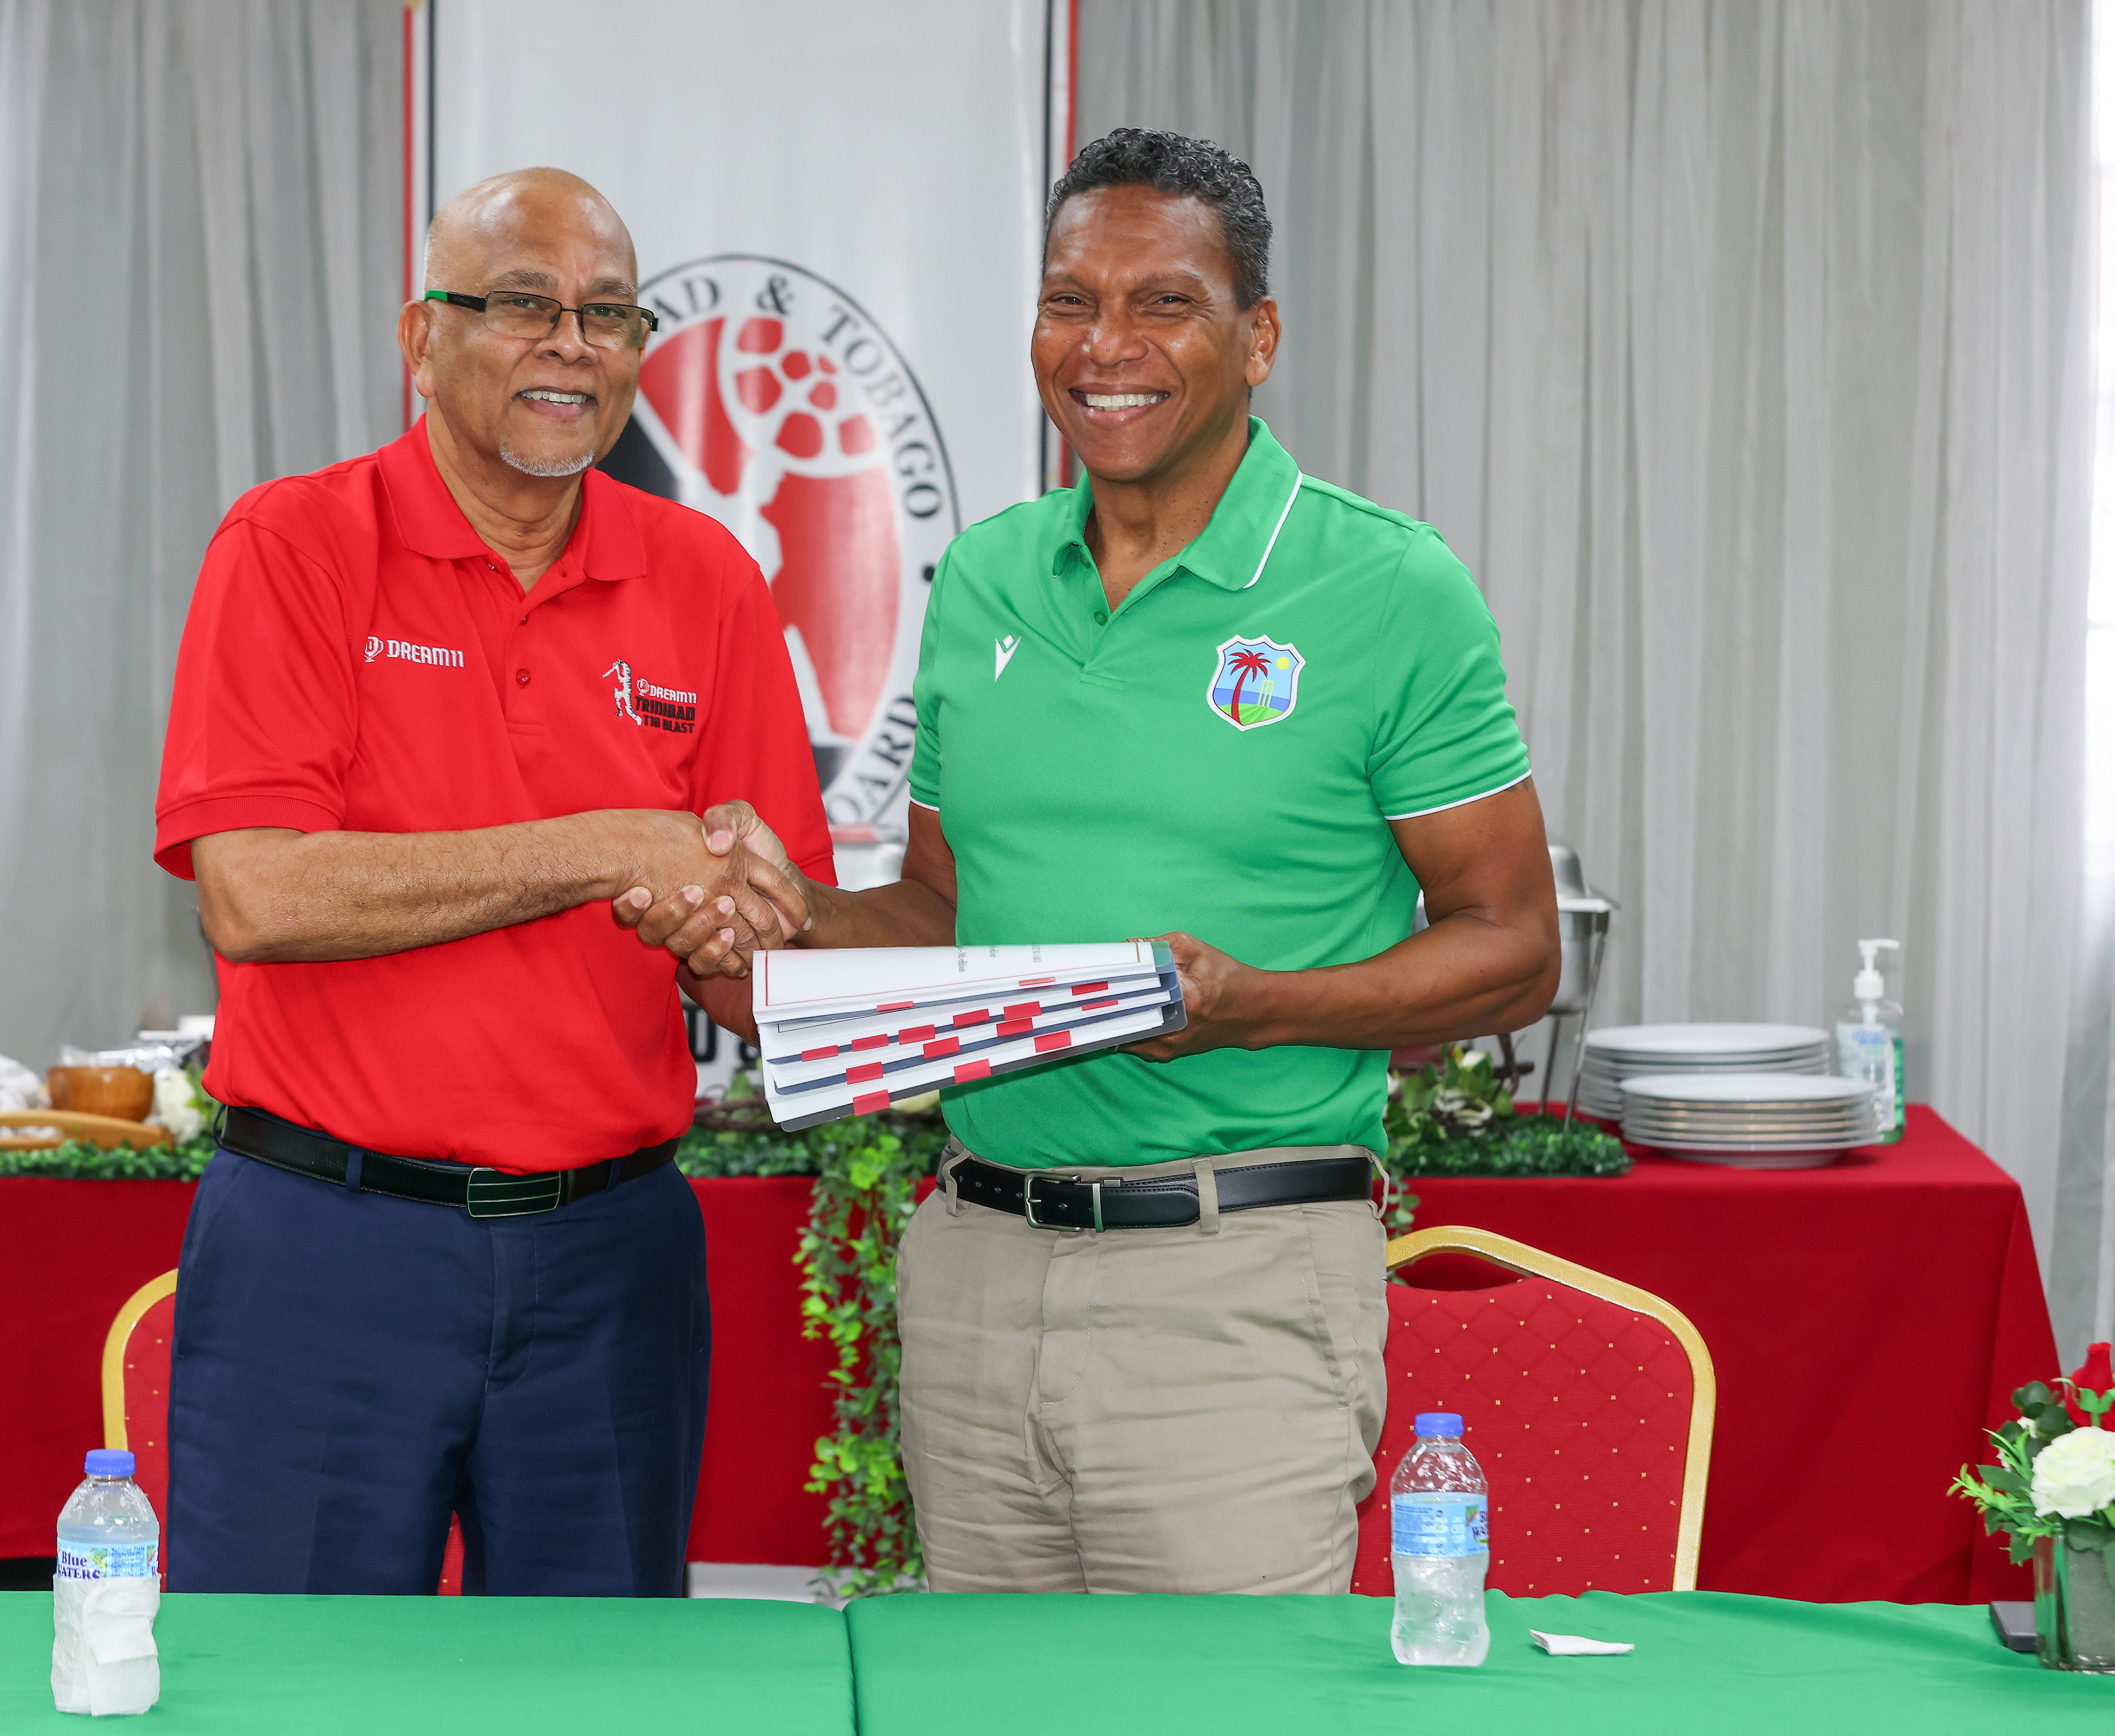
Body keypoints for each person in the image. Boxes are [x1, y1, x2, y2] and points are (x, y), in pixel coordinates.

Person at [620, 129, 1559, 1594]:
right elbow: (942, 910)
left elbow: (1514, 944)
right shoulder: (987, 573)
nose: (1106, 345)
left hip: (1236, 1277)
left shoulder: (1388, 586)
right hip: (981, 1266)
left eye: (1163, 303)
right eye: (1071, 301)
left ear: (1259, 338)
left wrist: (1259, 1002)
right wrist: (781, 938)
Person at [151, 167, 829, 1597]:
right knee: (292, 1698)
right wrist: (610, 844)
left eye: (605, 315)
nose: (570, 345)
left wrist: (734, 912)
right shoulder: (292, 545)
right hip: (329, 1246)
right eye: (522, 303)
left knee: (598, 1698)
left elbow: (773, 988)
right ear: (420, 336)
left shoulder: (707, 580)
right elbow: (258, 896)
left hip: (613, 1259)